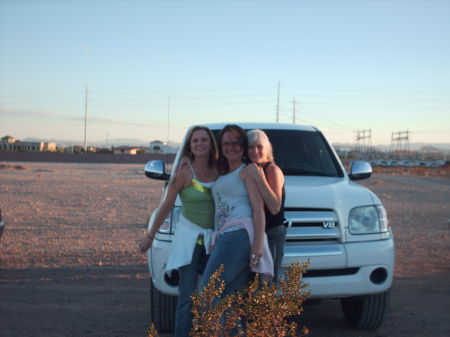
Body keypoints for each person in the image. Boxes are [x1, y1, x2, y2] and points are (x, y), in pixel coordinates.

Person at [138, 126, 219, 337]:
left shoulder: (220, 170)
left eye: (204, 140)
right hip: (189, 240)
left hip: (214, 240)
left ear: (211, 144)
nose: (200, 144)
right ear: (190, 147)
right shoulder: (184, 173)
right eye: (195, 141)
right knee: (186, 296)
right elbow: (166, 206)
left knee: (214, 294)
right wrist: (150, 236)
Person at [199, 124, 273, 300]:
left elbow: (258, 209)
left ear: (242, 146)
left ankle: (213, 328)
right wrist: (187, 161)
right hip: (226, 235)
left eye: (235, 143)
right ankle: (231, 329)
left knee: (208, 291)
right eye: (225, 144)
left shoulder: (248, 171)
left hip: (238, 233)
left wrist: (258, 244)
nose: (230, 147)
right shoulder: (222, 172)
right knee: (228, 297)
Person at [245, 129, 286, 282]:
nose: (255, 151)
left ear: (267, 148)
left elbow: (275, 207)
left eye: (259, 146)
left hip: (271, 234)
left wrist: (260, 180)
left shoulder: (272, 170)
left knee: (267, 286)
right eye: (250, 147)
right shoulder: (248, 168)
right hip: (252, 233)